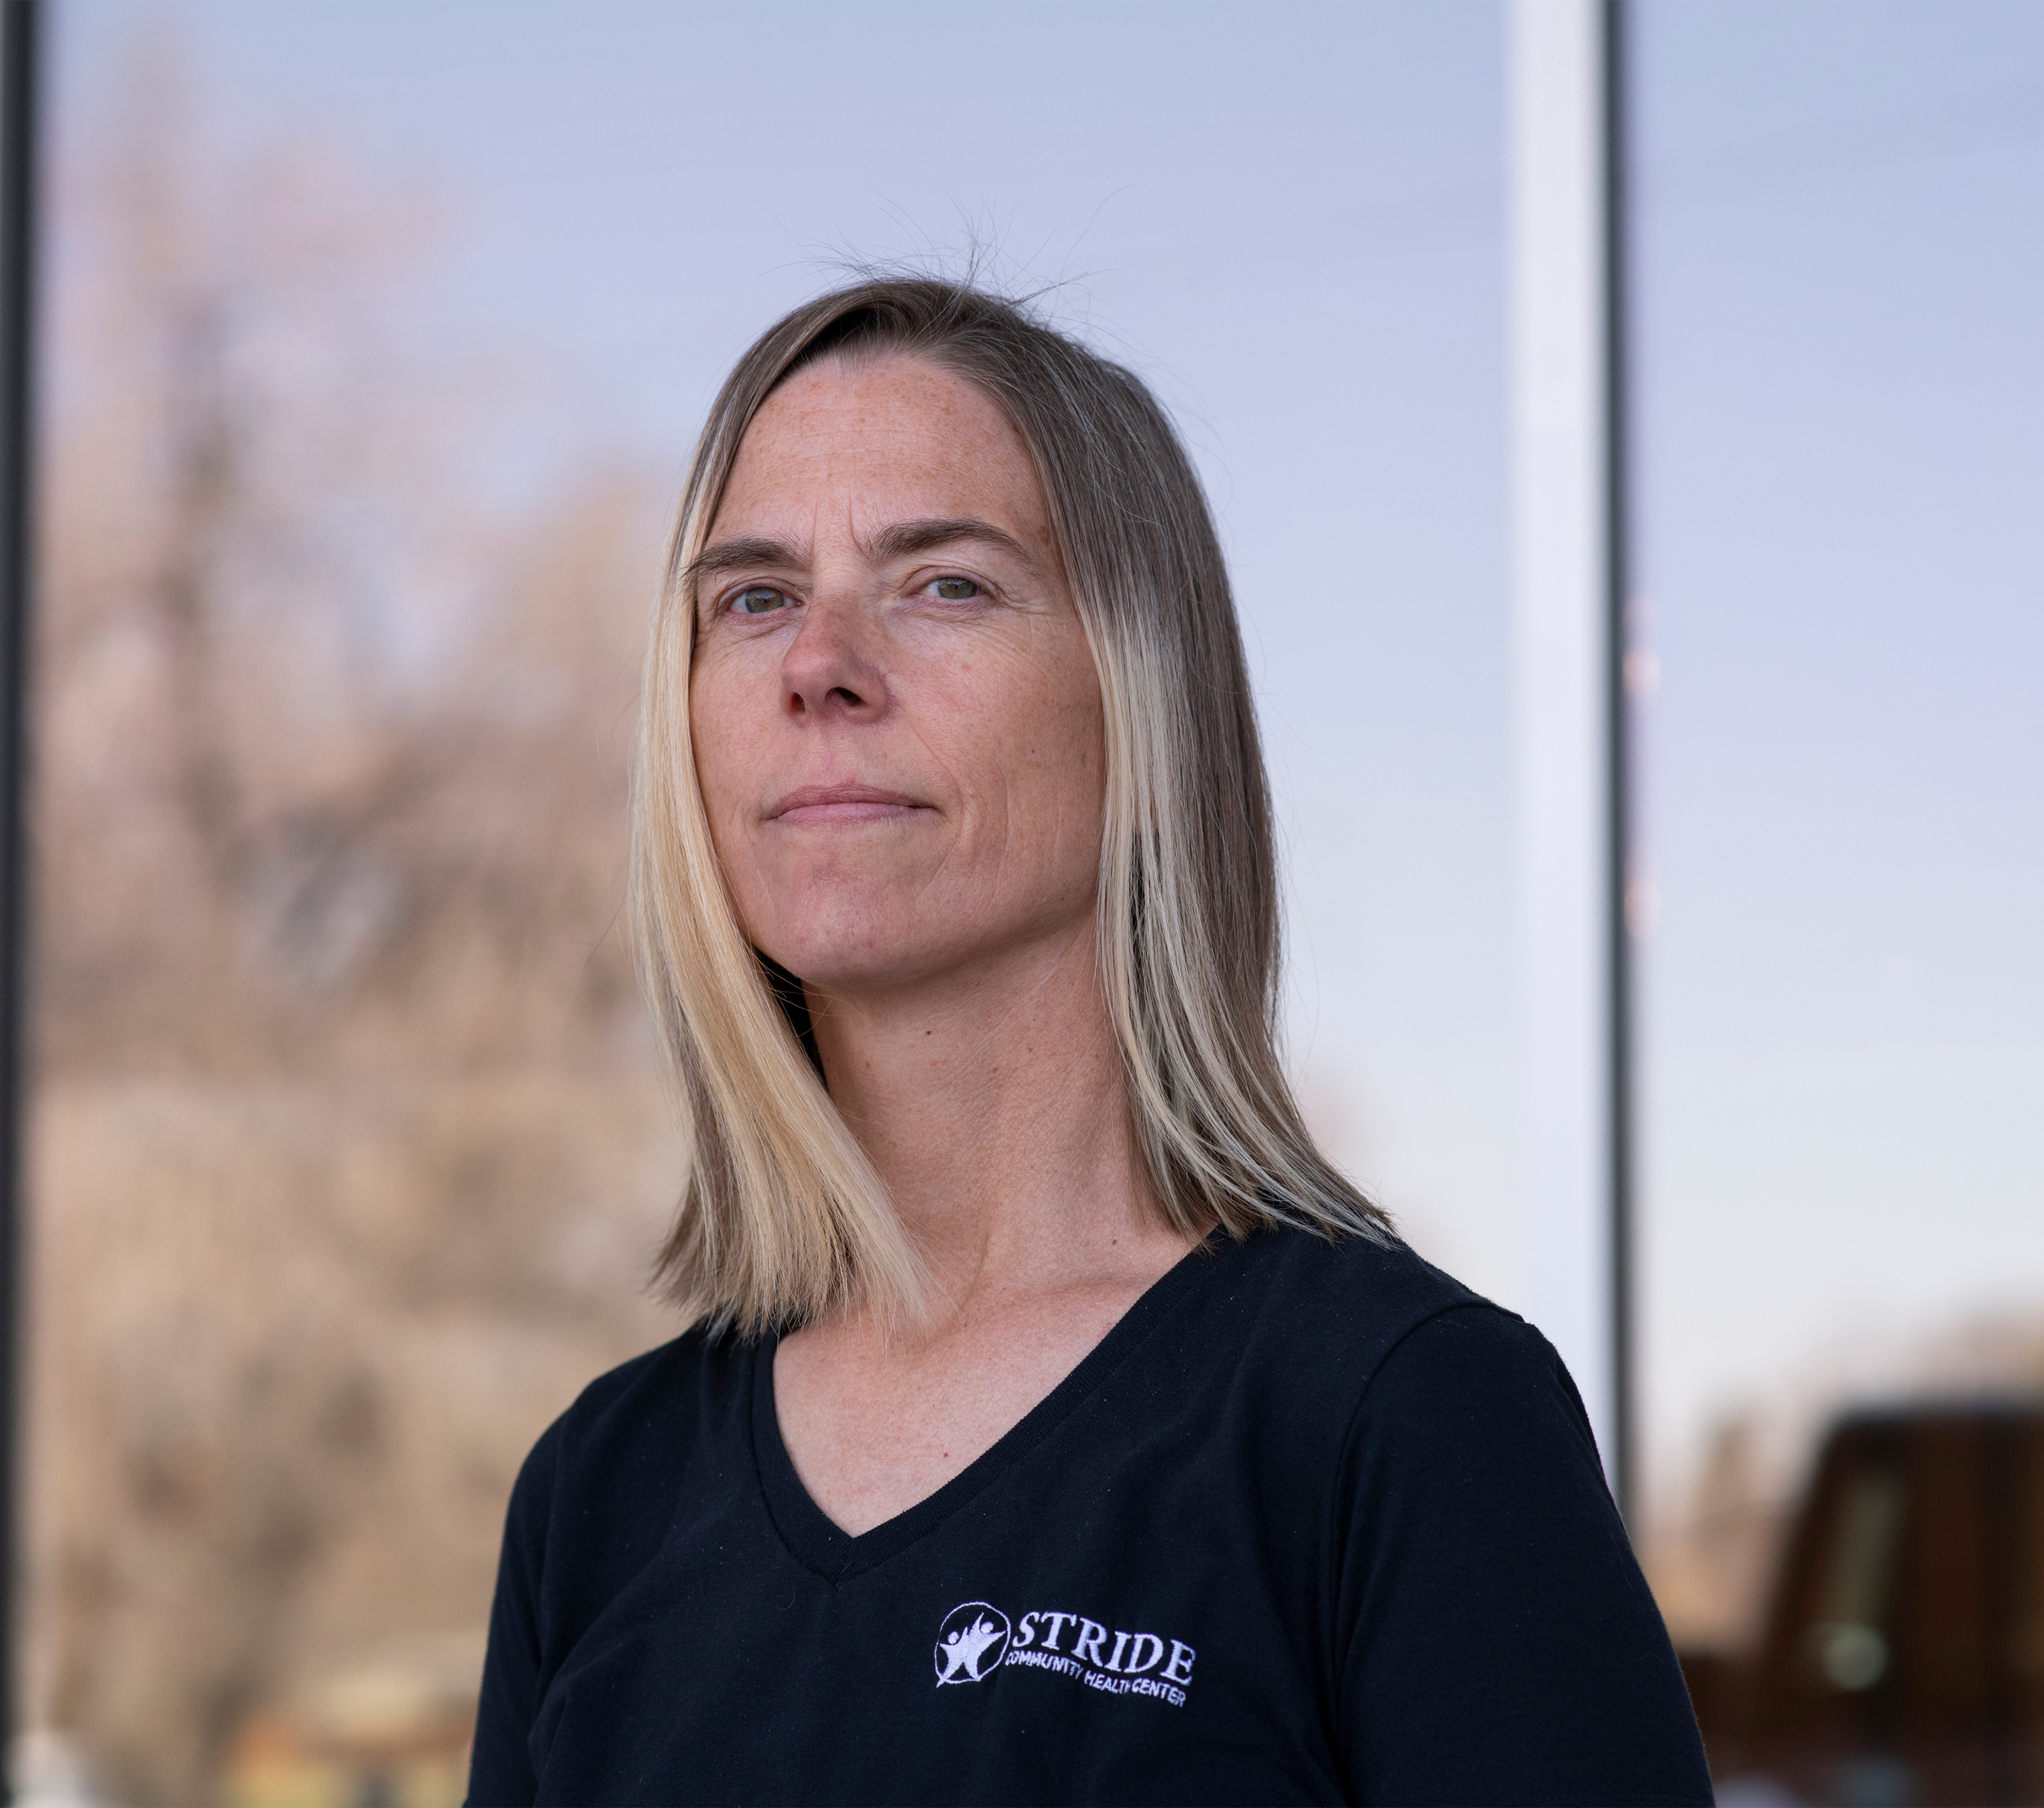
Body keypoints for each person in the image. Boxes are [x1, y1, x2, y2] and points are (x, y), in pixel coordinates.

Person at [465, 278, 1711, 1807]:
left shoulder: (1400, 1421)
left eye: (946, 584)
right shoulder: (600, 1492)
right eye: (755, 597)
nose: (820, 663)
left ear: (1145, 696)